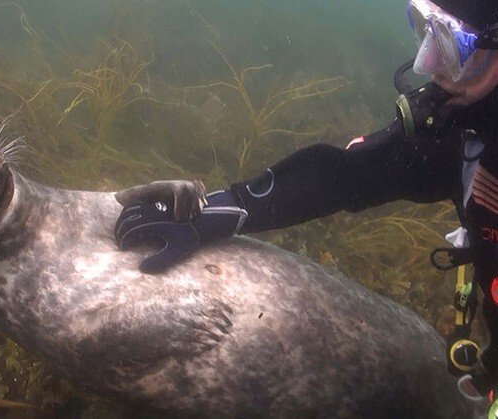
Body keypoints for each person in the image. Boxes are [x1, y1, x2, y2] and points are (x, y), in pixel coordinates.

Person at [114, 0, 498, 401]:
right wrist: (215, 208)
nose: (427, 63)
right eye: (423, 30)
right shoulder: (462, 139)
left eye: (454, 46)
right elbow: (345, 175)